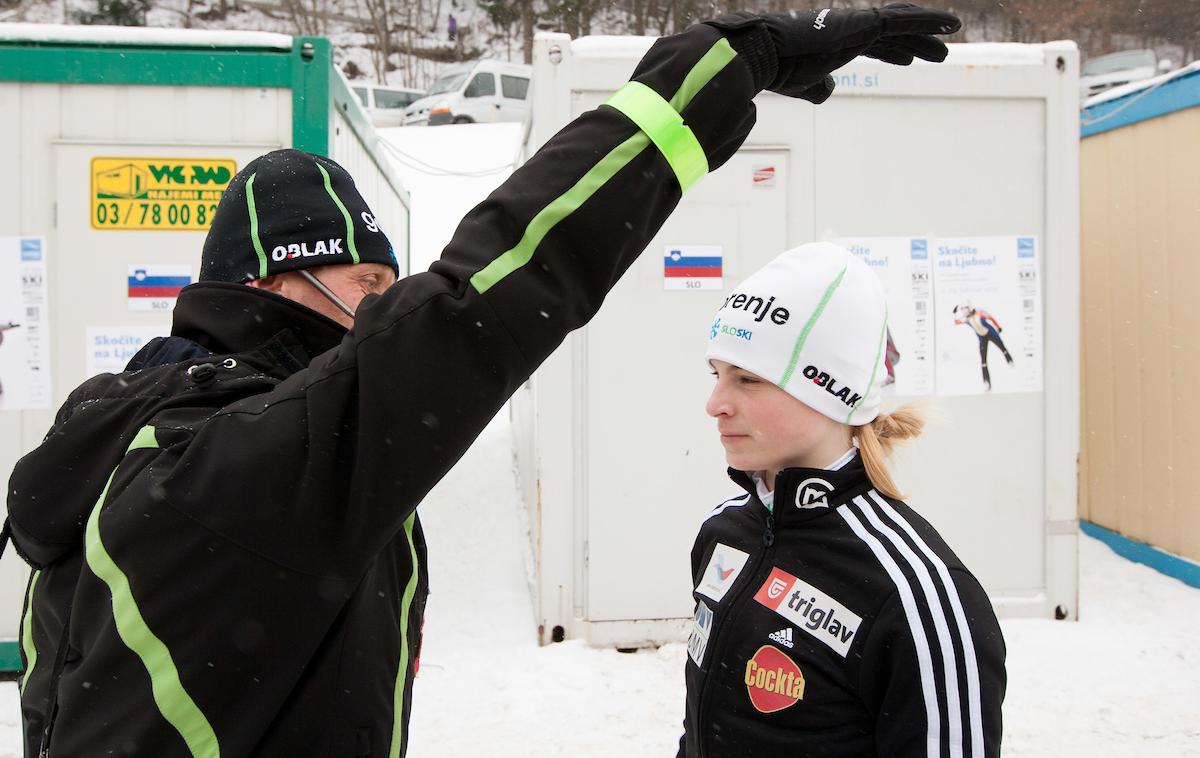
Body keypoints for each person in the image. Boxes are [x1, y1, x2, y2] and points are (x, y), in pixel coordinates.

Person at [8, 6, 962, 757]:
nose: (379, 312)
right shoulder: (231, 463)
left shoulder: (138, 428)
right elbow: (487, 296)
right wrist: (717, 73)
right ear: (268, 285)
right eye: (365, 286)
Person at [681, 243, 1005, 757]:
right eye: (716, 375)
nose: (715, 404)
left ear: (830, 392)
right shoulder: (723, 533)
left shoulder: (918, 595)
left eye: (748, 379)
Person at [953, 302, 1014, 390]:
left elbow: (991, 318)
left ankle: (1009, 360)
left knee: (1002, 347)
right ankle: (986, 382)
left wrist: (998, 327)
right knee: (983, 361)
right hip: (982, 338)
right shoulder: (966, 319)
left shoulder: (980, 312)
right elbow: (956, 322)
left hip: (990, 333)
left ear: (969, 307)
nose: (964, 311)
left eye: (965, 308)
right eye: (962, 309)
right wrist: (954, 313)